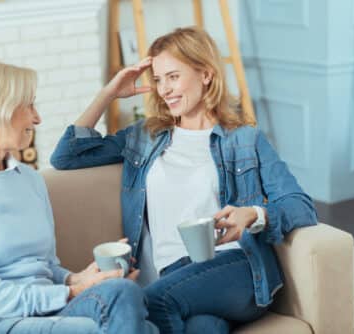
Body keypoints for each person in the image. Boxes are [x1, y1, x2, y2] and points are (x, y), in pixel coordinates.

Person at [50, 27, 318, 334]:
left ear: (205, 74)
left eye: (173, 77)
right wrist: (108, 93)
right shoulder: (145, 137)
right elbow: (66, 156)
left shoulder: (244, 140)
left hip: (234, 266)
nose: (164, 89)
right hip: (171, 274)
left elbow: (300, 206)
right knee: (204, 328)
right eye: (159, 79)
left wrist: (254, 215)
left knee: (143, 302)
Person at [0, 59, 159, 334]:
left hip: (43, 311)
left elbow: (45, 267)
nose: (37, 118)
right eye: (30, 105)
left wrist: (77, 278)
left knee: (122, 291)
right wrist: (73, 292)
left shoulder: (29, 180)